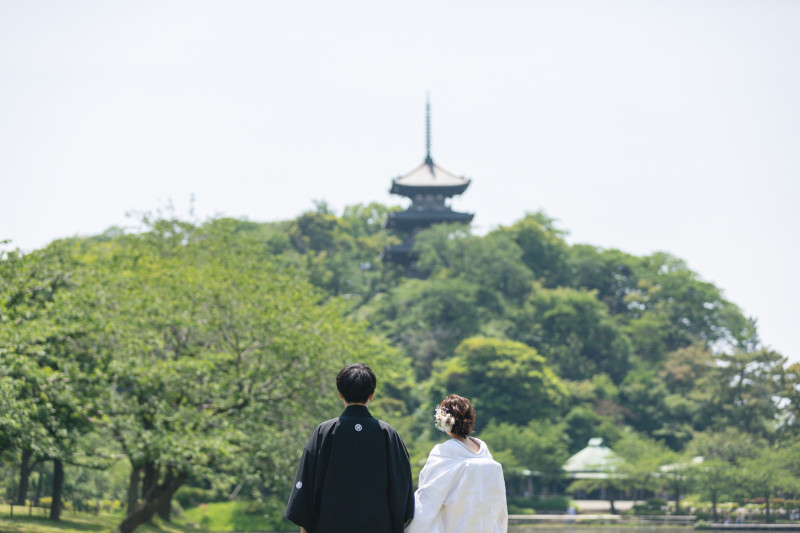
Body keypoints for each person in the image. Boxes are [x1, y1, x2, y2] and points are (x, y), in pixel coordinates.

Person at [284, 364, 414, 533]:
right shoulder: (388, 434)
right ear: (372, 394)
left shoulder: (324, 432)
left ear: (340, 394)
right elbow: (402, 491)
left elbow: (306, 493)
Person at [406, 395, 508, 533]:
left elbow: (427, 499)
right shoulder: (487, 457)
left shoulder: (443, 453)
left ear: (444, 421)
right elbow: (500, 506)